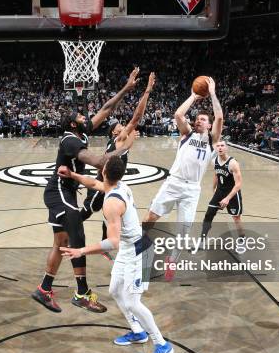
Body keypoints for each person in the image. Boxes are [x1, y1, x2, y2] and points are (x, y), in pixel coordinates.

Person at [31, 68, 140, 313]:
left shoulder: (79, 132)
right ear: (72, 123)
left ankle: (44, 289)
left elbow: (106, 110)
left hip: (65, 191)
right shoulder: (70, 140)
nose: (84, 117)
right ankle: (81, 293)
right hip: (60, 191)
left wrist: (126, 88)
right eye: (80, 116)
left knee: (61, 241)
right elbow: (98, 162)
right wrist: (124, 147)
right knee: (76, 234)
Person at [59, 156, 174, 353]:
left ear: (104, 172)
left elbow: (112, 241)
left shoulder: (112, 203)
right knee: (114, 290)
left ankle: (162, 344)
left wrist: (80, 251)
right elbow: (93, 184)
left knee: (133, 302)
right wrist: (73, 175)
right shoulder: (120, 185)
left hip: (140, 252)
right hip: (129, 249)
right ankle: (138, 332)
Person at [143, 77, 223, 268]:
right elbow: (179, 114)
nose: (198, 121)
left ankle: (172, 260)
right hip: (173, 182)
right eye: (197, 119)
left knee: (183, 231)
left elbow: (219, 117)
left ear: (209, 126)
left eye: (203, 119)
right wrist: (193, 97)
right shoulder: (187, 134)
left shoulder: (212, 141)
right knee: (150, 217)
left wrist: (212, 93)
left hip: (191, 190)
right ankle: (139, 246)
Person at [81, 72, 156, 237]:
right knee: (87, 211)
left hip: (113, 183)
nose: (122, 125)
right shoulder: (120, 139)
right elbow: (137, 117)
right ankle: (71, 229)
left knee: (111, 212)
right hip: (102, 183)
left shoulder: (117, 141)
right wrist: (147, 90)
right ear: (114, 131)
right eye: (118, 125)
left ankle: (105, 244)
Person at [201, 141, 244, 238]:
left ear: (226, 148)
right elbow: (217, 174)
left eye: (222, 146)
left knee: (236, 218)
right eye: (218, 146)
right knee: (208, 215)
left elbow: (238, 184)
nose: (220, 148)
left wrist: (227, 198)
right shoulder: (214, 161)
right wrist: (213, 188)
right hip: (220, 191)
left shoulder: (233, 163)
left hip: (232, 193)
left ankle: (242, 240)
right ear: (215, 149)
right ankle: (202, 239)